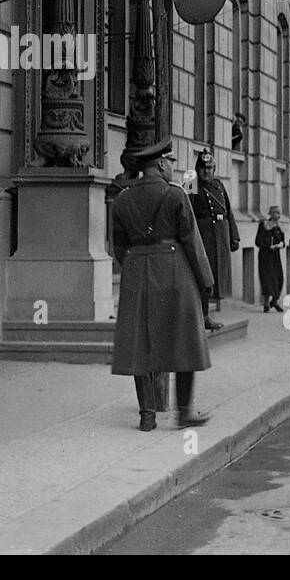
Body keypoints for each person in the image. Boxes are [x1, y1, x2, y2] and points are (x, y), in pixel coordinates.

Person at [110, 139, 213, 432]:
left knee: (139, 343)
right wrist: (205, 280)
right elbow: (192, 240)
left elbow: (118, 246)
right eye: (170, 162)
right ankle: (183, 414)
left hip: (136, 270)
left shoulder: (124, 199)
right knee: (184, 342)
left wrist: (134, 263)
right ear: (160, 164)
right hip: (174, 268)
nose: (172, 168)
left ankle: (147, 416)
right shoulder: (176, 195)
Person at [189, 147, 238, 331]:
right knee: (203, 276)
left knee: (216, 277)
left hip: (221, 235)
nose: (206, 171)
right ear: (197, 168)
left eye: (210, 168)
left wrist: (234, 236)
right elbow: (188, 212)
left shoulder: (219, 185)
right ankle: (202, 316)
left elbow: (229, 211)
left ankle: (206, 315)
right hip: (203, 236)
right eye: (203, 167)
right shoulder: (191, 182)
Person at [256, 206, 286, 312]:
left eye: (279, 213)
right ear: (271, 213)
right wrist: (268, 245)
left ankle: (275, 300)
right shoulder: (264, 225)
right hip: (265, 256)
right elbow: (258, 241)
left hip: (275, 256)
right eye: (276, 213)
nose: (278, 215)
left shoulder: (279, 227)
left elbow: (283, 241)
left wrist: (281, 245)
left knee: (279, 278)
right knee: (267, 279)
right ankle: (266, 303)